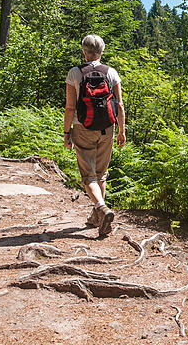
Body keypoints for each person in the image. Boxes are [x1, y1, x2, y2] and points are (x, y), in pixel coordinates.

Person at [64, 34, 125, 237]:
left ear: (84, 51)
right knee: (101, 173)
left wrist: (67, 133)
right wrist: (122, 131)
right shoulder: (112, 73)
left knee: (88, 175)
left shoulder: (75, 73)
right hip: (107, 128)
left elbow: (70, 107)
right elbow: (120, 105)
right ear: (102, 51)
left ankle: (101, 208)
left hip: (83, 128)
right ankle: (97, 218)